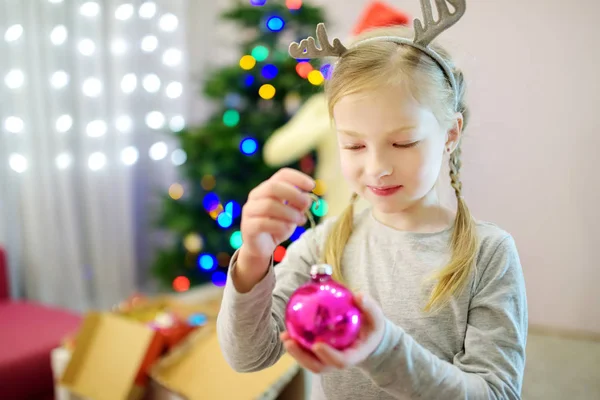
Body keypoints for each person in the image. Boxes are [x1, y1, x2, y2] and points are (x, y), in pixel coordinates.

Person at [217, 1, 528, 399]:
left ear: (450, 134)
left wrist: (383, 350)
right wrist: (253, 261)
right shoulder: (321, 247)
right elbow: (249, 356)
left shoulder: (489, 256)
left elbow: (496, 393)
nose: (377, 167)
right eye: (354, 144)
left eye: (403, 142)